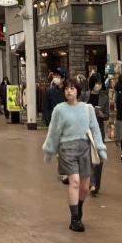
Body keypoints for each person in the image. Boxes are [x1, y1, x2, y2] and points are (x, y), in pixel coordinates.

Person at [41, 78, 107, 231]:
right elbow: (53, 131)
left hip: (84, 149)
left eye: (72, 88)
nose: (69, 91)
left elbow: (95, 129)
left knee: (85, 187)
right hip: (67, 149)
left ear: (78, 91)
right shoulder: (59, 110)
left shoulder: (87, 109)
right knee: (75, 182)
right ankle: (75, 218)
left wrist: (101, 148)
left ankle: (79, 208)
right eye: (66, 89)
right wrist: (49, 150)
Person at [84, 77, 110, 194]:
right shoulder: (85, 95)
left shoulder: (105, 97)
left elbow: (107, 115)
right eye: (96, 83)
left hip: (98, 130)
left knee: (98, 157)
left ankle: (95, 185)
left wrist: (101, 114)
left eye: (99, 83)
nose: (98, 85)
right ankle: (90, 182)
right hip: (85, 129)